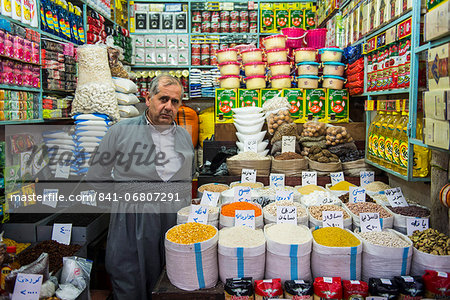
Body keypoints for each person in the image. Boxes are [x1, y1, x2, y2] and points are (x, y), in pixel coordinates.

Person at [86, 74, 194, 299]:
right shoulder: (120, 131)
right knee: (130, 281)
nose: (168, 106)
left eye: (175, 102)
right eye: (163, 99)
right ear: (148, 99)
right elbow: (97, 176)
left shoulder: (183, 136)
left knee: (169, 282)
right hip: (132, 222)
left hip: (172, 221)